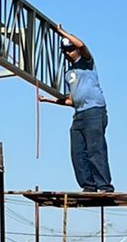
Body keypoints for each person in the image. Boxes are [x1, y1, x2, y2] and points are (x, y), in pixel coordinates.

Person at [41, 29, 113, 193]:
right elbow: (72, 100)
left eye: (70, 49)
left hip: (94, 111)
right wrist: (49, 100)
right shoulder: (68, 74)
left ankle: (104, 185)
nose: (68, 53)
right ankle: (88, 185)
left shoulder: (87, 63)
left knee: (95, 149)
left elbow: (82, 45)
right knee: (78, 152)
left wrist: (61, 32)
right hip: (79, 114)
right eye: (65, 51)